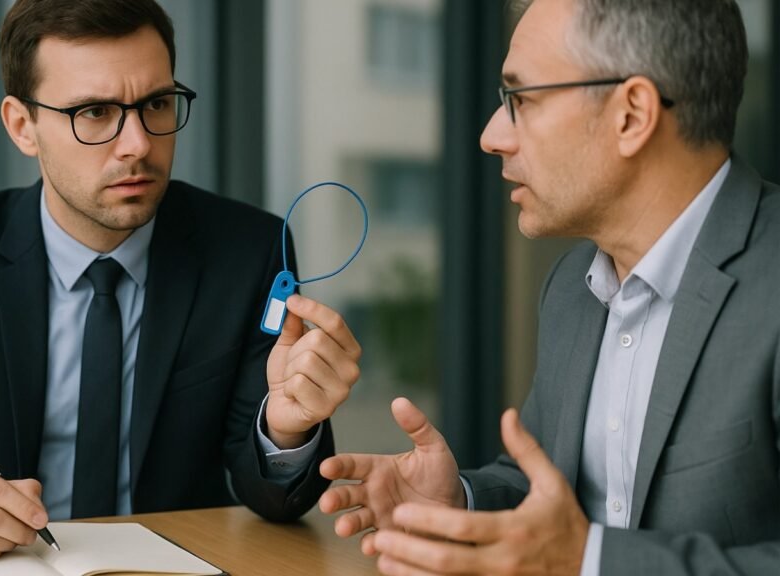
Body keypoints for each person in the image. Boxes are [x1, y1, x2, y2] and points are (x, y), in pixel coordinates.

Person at [0, 0, 362, 565]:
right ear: (22, 126)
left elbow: (276, 500)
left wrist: (284, 431)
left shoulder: (247, 251)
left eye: (156, 104)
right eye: (95, 113)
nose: (137, 144)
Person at [319, 0, 779, 574]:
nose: (491, 135)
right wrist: (461, 505)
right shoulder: (572, 286)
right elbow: (551, 497)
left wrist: (589, 560)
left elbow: (573, 549)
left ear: (632, 114)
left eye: (521, 99)